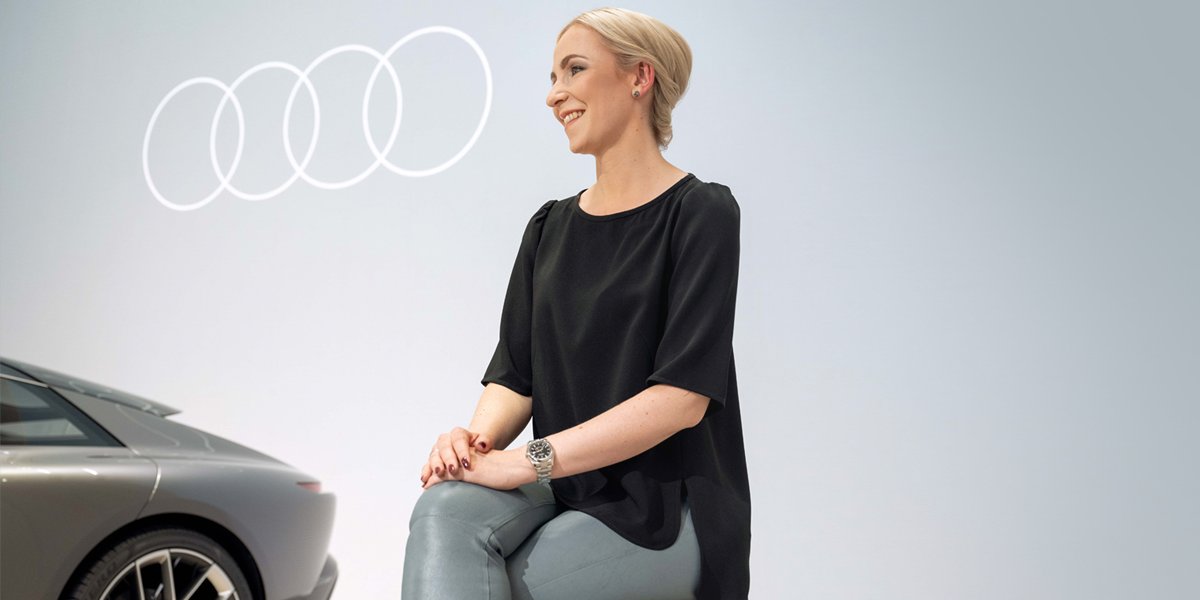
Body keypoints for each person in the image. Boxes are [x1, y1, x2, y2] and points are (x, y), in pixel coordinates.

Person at [402, 7, 751, 599]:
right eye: (552, 77)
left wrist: (526, 461)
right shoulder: (549, 228)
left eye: (574, 70)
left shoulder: (701, 213)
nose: (554, 95)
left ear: (639, 77)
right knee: (443, 507)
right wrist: (473, 448)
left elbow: (680, 400)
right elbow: (515, 378)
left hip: (666, 507)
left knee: (497, 582)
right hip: (566, 486)